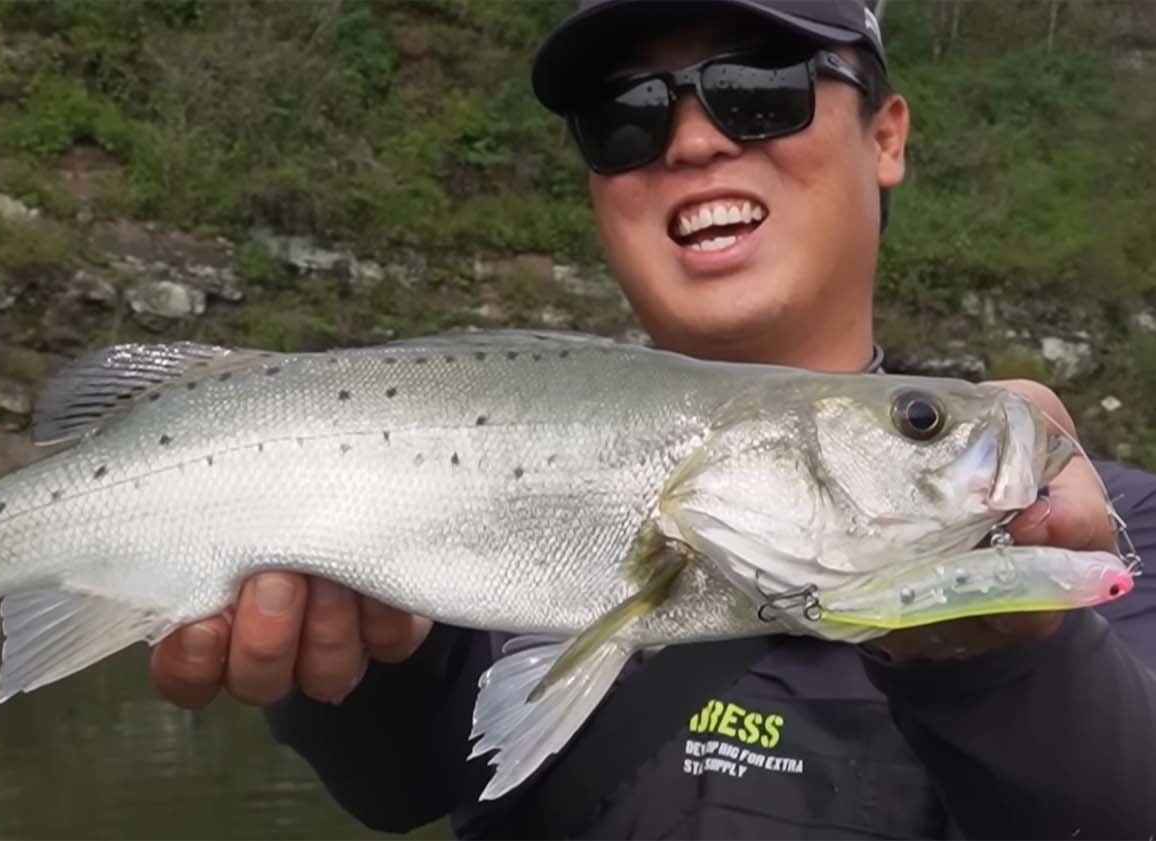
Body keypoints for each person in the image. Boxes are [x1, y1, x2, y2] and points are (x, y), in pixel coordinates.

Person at [150, 0, 1156, 836]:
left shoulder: (1124, 530)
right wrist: (353, 675)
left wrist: (1010, 659)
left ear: (885, 134)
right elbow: (402, 784)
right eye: (625, 114)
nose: (695, 139)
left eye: (761, 87)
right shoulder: (451, 461)